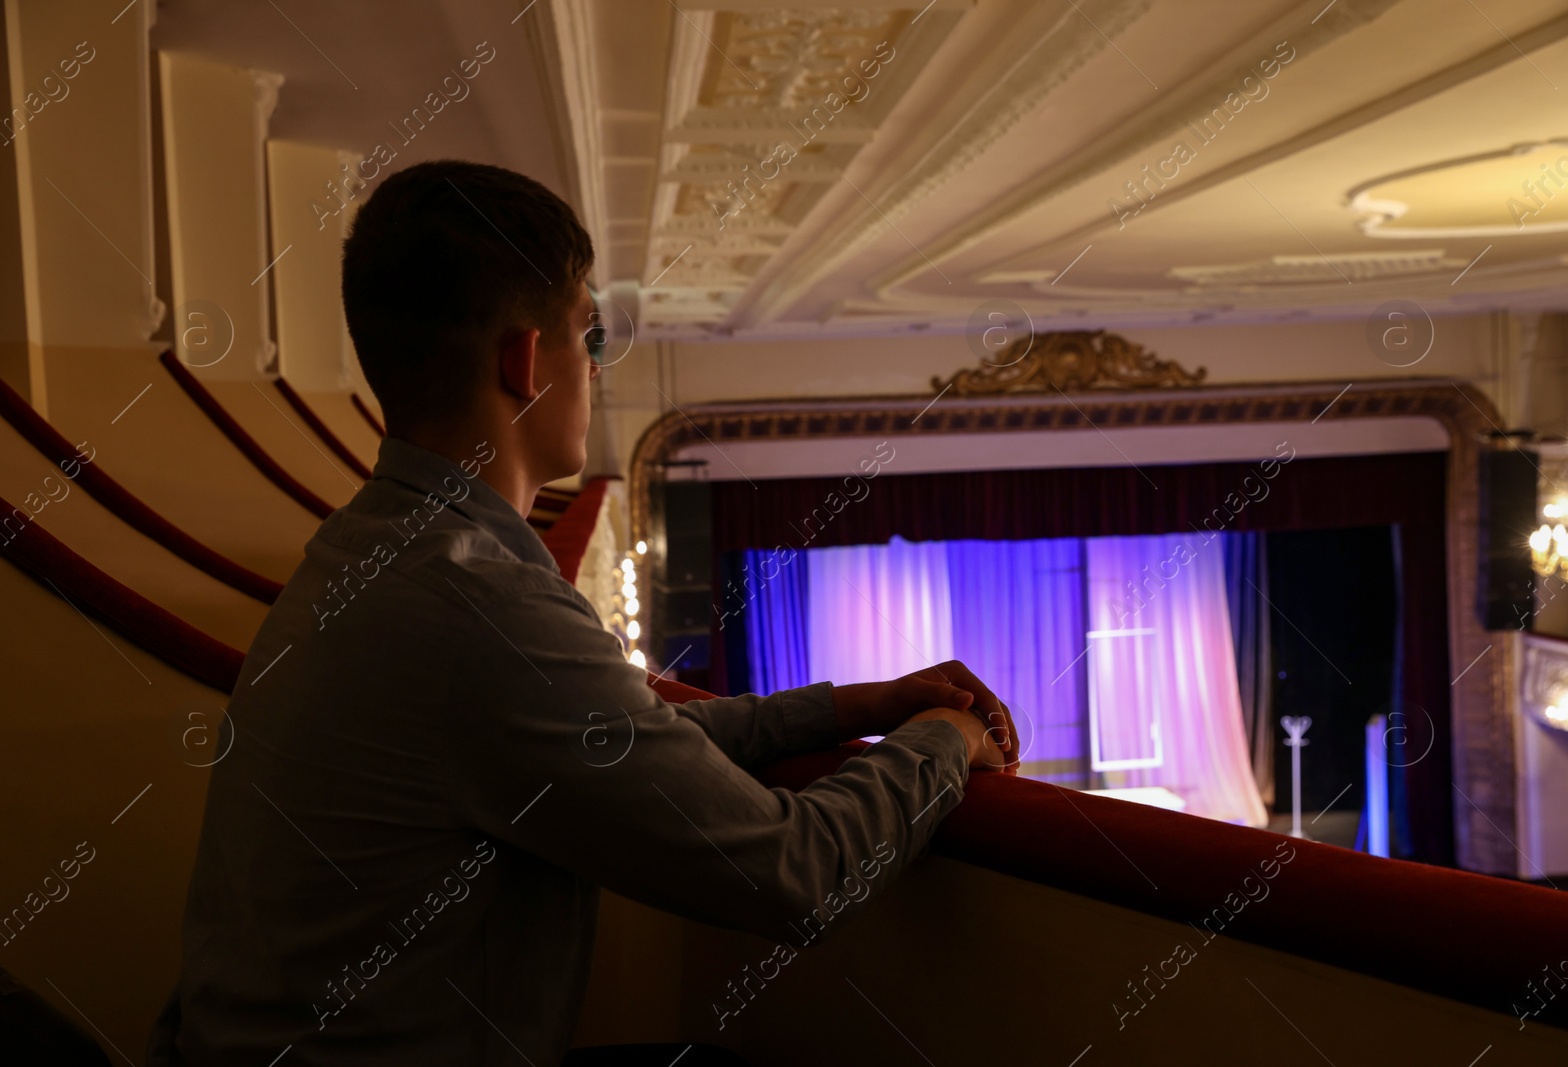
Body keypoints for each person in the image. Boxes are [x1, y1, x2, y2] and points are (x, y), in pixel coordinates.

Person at [149, 160, 1014, 1067]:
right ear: (528, 362)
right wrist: (948, 737)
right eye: (590, 341)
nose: (595, 369)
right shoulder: (481, 606)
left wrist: (848, 708)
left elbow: (618, 741)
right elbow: (797, 874)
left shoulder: (366, 547)